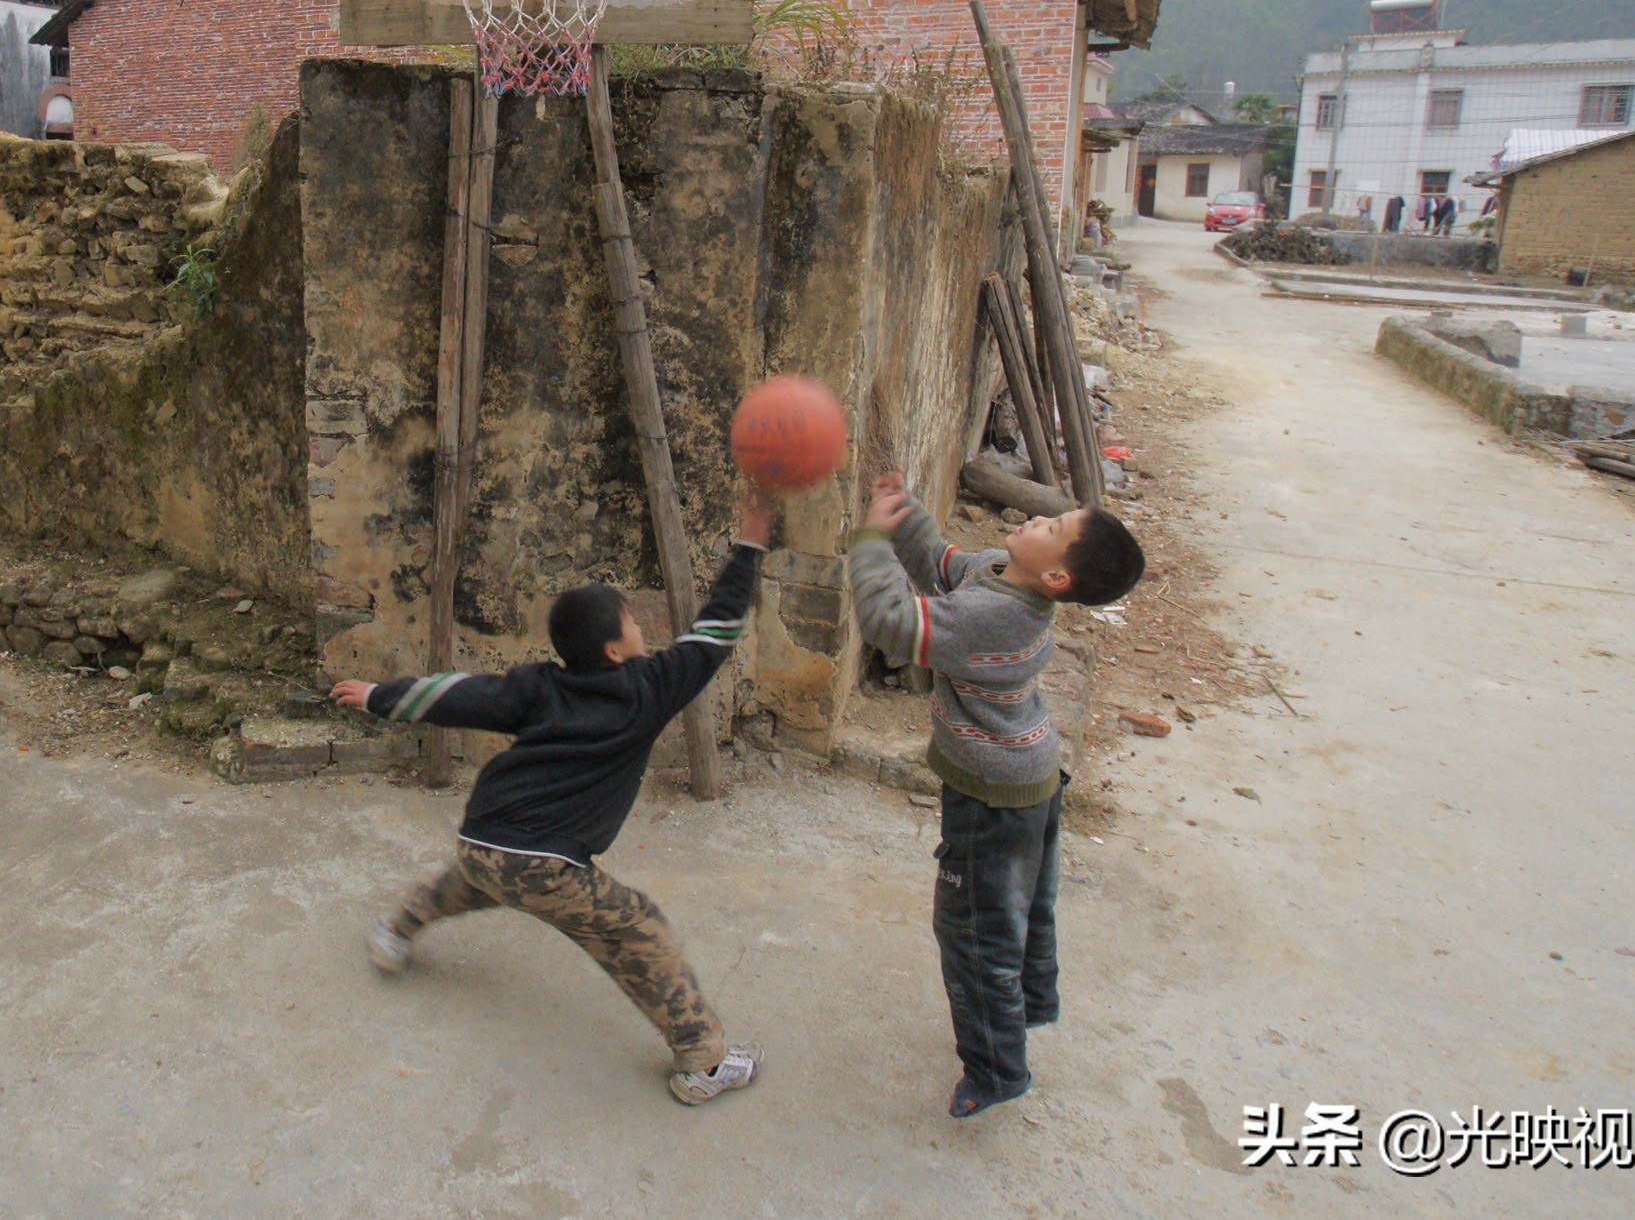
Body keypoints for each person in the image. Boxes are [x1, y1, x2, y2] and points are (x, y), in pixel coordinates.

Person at [329, 489, 775, 1106]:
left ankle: (395, 931)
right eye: (633, 621)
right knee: (642, 933)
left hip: (483, 837)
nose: (641, 627)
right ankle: (704, 1061)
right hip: (546, 865)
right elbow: (716, 628)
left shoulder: (538, 685)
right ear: (615, 650)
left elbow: (460, 694)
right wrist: (749, 546)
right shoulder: (651, 688)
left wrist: (381, 695)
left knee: (473, 881)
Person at [847, 468, 1145, 1119]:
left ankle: (997, 1069)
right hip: (1030, 773)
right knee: (1025, 906)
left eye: (1052, 526)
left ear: (1056, 577)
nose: (1036, 517)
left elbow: (889, 621)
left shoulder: (997, 617)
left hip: (995, 800)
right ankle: (1029, 1002)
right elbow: (942, 563)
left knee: (974, 932)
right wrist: (903, 512)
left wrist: (869, 540)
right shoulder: (1001, 573)